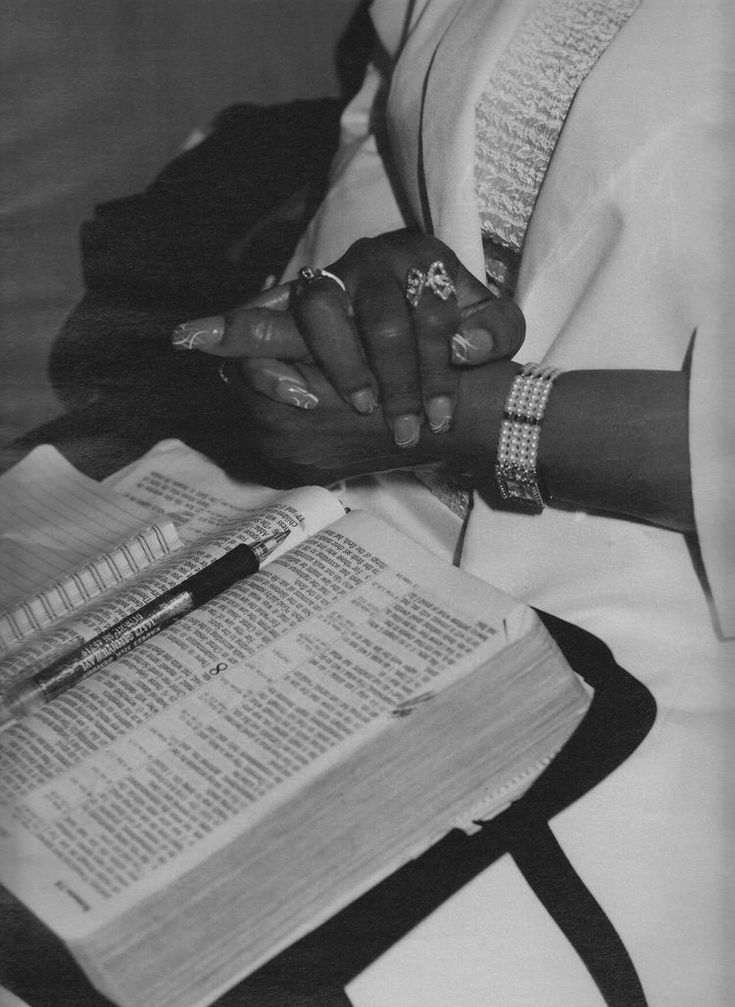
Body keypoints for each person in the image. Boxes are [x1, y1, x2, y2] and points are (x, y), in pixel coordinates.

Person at [171, 0, 734, 1004]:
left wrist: (470, 419)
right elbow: (383, 146)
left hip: (690, 629)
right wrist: (352, 312)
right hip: (392, 523)